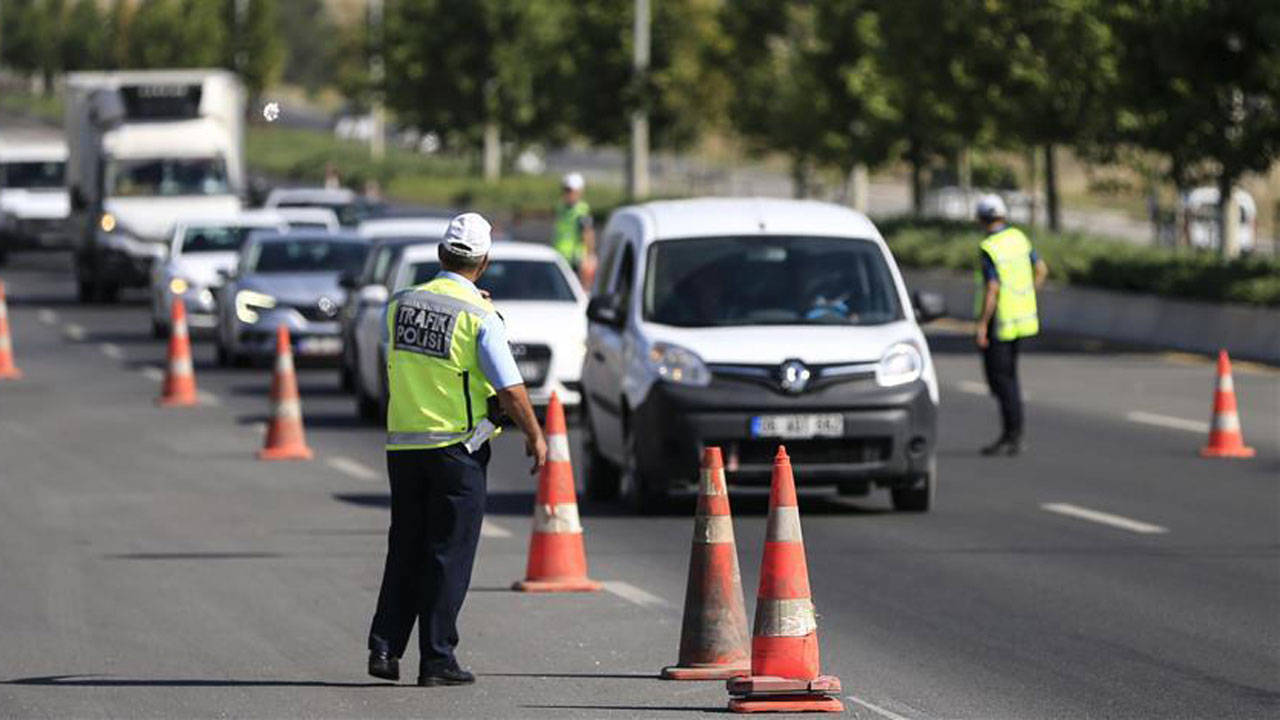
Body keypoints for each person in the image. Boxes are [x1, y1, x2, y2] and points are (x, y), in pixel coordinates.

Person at [367, 212, 547, 686]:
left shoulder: (400, 304)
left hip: (403, 446)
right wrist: (536, 435)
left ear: (441, 254)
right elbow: (509, 389)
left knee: (405, 546)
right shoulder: (480, 317)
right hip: (456, 449)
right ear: (483, 262)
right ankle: (437, 658)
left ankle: (384, 649)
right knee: (448, 554)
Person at [974, 194, 1048, 456]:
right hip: (1022, 319)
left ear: (981, 219)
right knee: (1011, 378)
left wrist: (982, 324)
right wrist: (1027, 295)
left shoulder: (990, 247)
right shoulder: (1018, 238)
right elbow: (1041, 269)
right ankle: (1013, 432)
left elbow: (992, 288)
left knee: (1002, 381)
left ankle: (1012, 434)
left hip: (1001, 322)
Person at [551, 172, 596, 287]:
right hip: (559, 255)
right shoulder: (561, 207)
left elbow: (588, 233)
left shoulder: (582, 210)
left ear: (579, 192)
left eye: (571, 191)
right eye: (566, 190)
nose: (568, 194)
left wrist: (589, 256)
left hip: (575, 260)